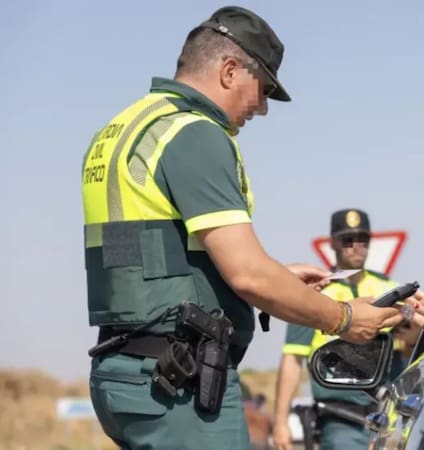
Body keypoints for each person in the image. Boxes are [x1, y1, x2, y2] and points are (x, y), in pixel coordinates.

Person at [80, 7, 404, 450]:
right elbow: (247, 273)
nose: (264, 108)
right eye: (264, 89)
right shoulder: (194, 133)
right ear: (230, 70)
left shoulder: (127, 128)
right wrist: (344, 318)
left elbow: (148, 257)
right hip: (180, 385)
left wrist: (279, 276)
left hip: (126, 376)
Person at [272, 209, 422, 450]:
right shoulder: (315, 294)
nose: (356, 246)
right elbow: (292, 358)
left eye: (363, 239)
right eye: (348, 240)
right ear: (333, 243)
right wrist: (280, 423)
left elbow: (413, 316)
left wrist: (408, 319)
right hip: (342, 417)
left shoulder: (387, 286)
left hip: (390, 414)